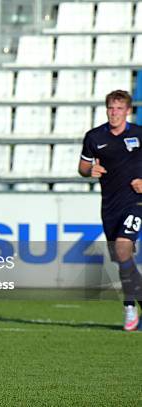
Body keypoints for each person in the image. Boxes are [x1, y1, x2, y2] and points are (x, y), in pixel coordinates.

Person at [78, 89, 142, 331]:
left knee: (124, 247)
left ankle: (128, 308)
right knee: (121, 258)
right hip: (110, 205)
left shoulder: (139, 134)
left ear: (128, 111)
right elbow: (83, 167)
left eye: (119, 109)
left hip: (136, 203)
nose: (114, 113)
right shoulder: (94, 137)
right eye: (111, 108)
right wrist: (89, 171)